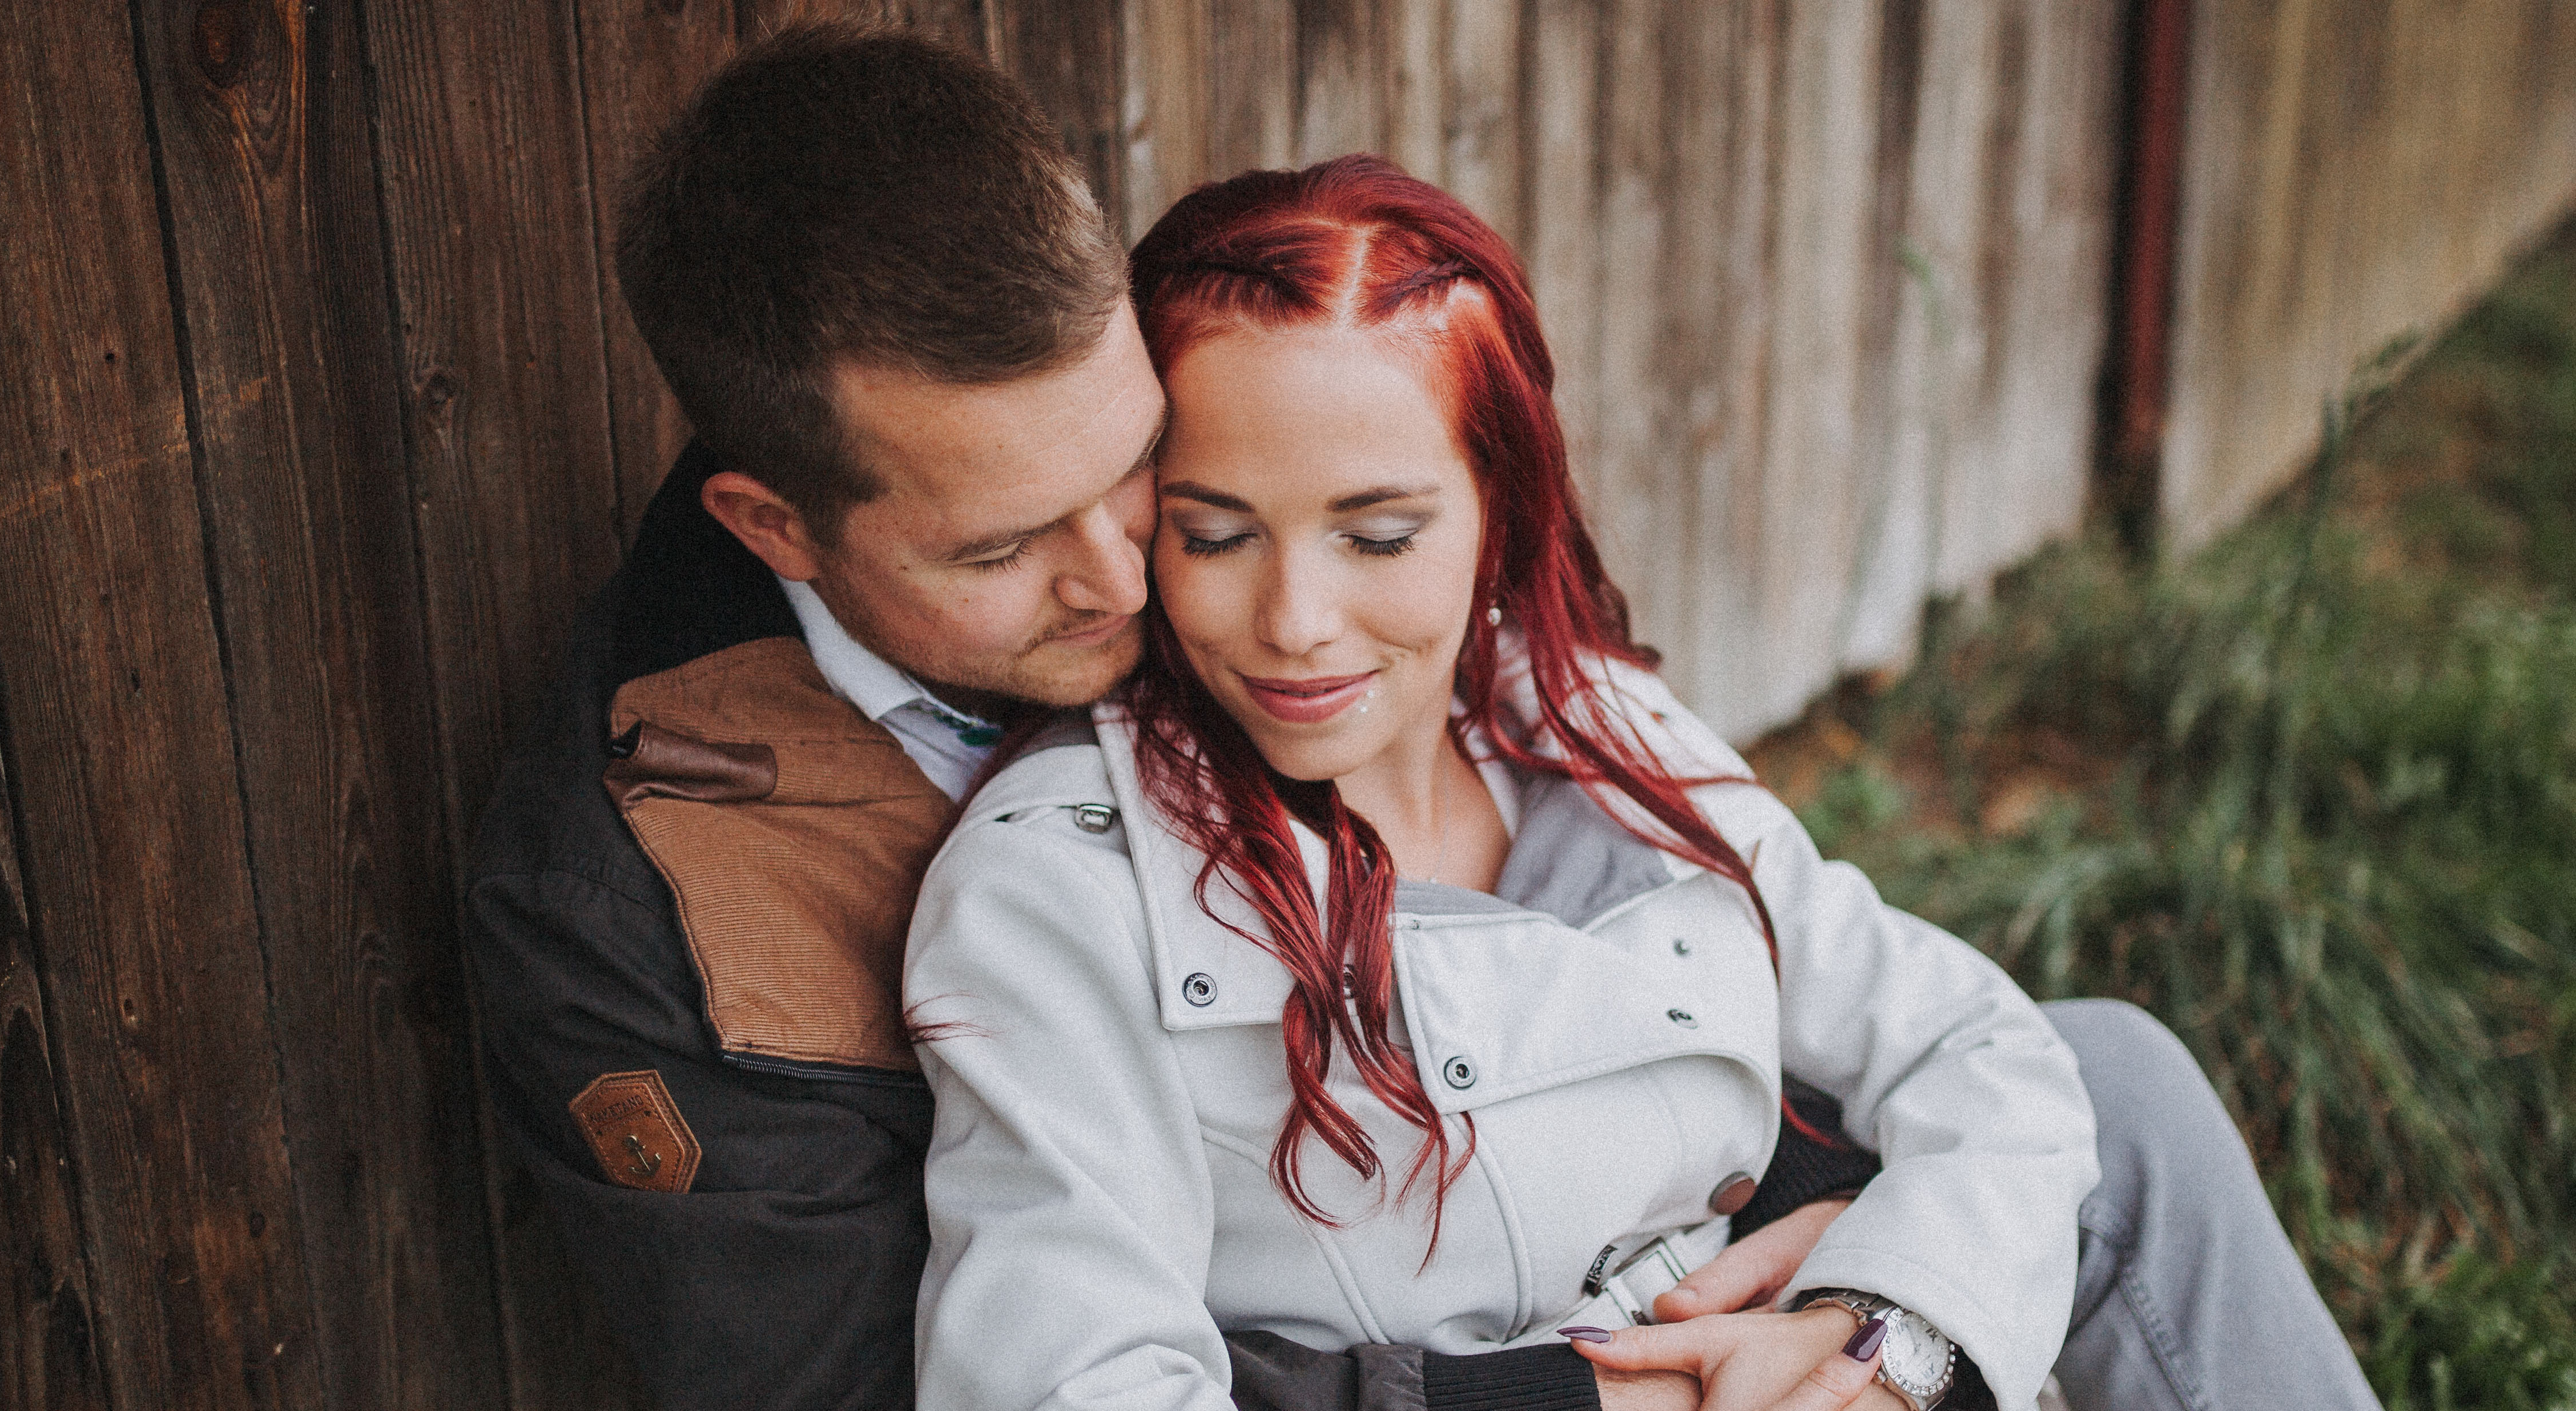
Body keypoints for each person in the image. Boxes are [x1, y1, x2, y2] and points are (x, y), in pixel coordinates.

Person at [461, 23, 2385, 1411]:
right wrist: (1592, 1391)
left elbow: (1799, 1010)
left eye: (1145, 480)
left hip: (1629, 1266)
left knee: (2103, 1090)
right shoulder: (632, 917)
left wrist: (1866, 1306)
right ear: (777, 524)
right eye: (1004, 553)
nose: (1144, 593)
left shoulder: (1440, 668)